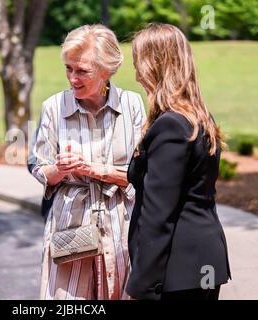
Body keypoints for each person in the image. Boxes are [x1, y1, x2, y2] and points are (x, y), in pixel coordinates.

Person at [31, 24, 146, 300]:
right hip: (71, 227)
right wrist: (60, 168)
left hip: (123, 225)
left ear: (106, 70)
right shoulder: (53, 107)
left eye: (82, 71)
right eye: (69, 69)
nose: (73, 78)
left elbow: (144, 173)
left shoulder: (132, 104)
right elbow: (40, 169)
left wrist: (97, 170)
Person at [125, 23, 231, 300]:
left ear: (155, 66)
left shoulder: (171, 125)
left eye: (139, 64)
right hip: (201, 264)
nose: (136, 75)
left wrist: (142, 285)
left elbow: (158, 214)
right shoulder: (199, 119)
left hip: (177, 271)